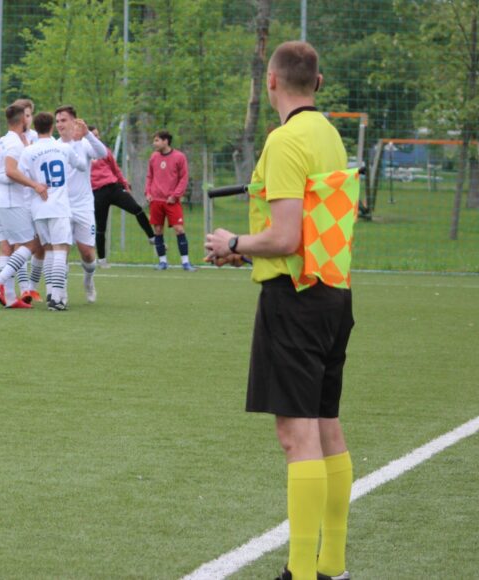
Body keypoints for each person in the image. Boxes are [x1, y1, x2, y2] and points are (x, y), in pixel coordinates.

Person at [205, 41, 354, 580]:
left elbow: (287, 236)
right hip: (332, 291)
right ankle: (331, 565)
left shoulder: (285, 139)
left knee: (297, 434)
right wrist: (247, 251)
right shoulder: (328, 134)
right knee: (327, 426)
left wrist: (233, 241)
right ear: (318, 82)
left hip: (296, 299)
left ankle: (302, 573)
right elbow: (309, 229)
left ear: (271, 81)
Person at [18, 112, 88, 311]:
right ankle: (57, 298)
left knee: (48, 249)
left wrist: (34, 188)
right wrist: (78, 142)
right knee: (60, 250)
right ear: (51, 127)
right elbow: (82, 166)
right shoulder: (64, 148)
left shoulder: (28, 151)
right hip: (58, 206)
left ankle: (50, 292)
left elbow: (21, 178)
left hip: (38, 207)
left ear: (36, 128)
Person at [0, 104, 49, 309]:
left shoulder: (3, 140)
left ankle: (11, 298)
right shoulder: (14, 144)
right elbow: (11, 172)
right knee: (30, 245)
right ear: (23, 120)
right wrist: (34, 184)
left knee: (9, 246)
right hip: (10, 202)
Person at [54, 105, 107, 303]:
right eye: (57, 121)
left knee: (87, 253)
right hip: (62, 207)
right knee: (62, 251)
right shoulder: (54, 146)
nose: (60, 124)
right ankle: (62, 294)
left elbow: (102, 154)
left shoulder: (84, 143)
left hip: (83, 206)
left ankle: (88, 279)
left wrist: (88, 135)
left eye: (64, 120)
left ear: (74, 121)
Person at [88, 125, 155, 267]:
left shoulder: (104, 151)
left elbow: (115, 169)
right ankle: (102, 260)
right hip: (98, 193)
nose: (97, 138)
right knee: (101, 228)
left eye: (98, 135)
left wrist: (125, 184)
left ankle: (152, 237)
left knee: (137, 209)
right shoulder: (83, 153)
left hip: (113, 188)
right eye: (93, 135)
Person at [146, 130, 197, 271]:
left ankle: (185, 262)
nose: (154, 143)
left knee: (179, 229)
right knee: (157, 230)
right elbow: (149, 176)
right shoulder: (153, 157)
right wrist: (148, 192)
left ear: (165, 141)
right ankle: (162, 262)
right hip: (156, 200)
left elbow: (184, 178)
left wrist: (175, 195)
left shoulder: (179, 157)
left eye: (157, 140)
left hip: (172, 201)